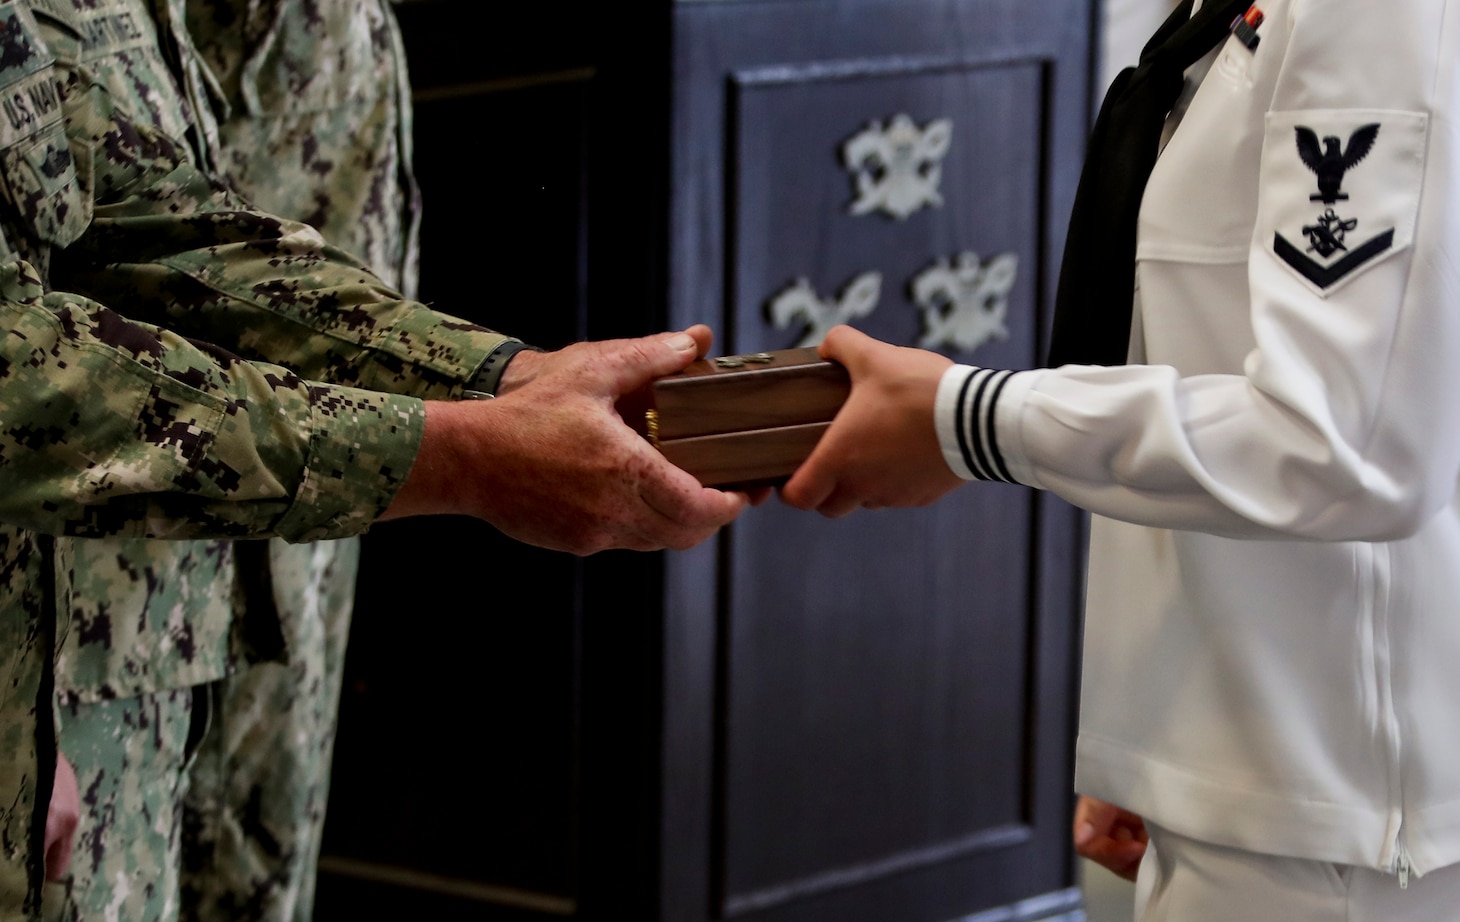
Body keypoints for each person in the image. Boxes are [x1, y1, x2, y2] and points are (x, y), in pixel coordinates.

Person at [0, 3, 748, 920]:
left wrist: (505, 380)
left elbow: (148, 228)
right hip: (73, 658)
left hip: (185, 623)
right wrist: (455, 454)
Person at [780, 0, 1460, 918]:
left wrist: (968, 422)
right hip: (1255, 765)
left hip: (1343, 828)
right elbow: (1203, 343)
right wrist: (1158, 719)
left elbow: (1343, 442)